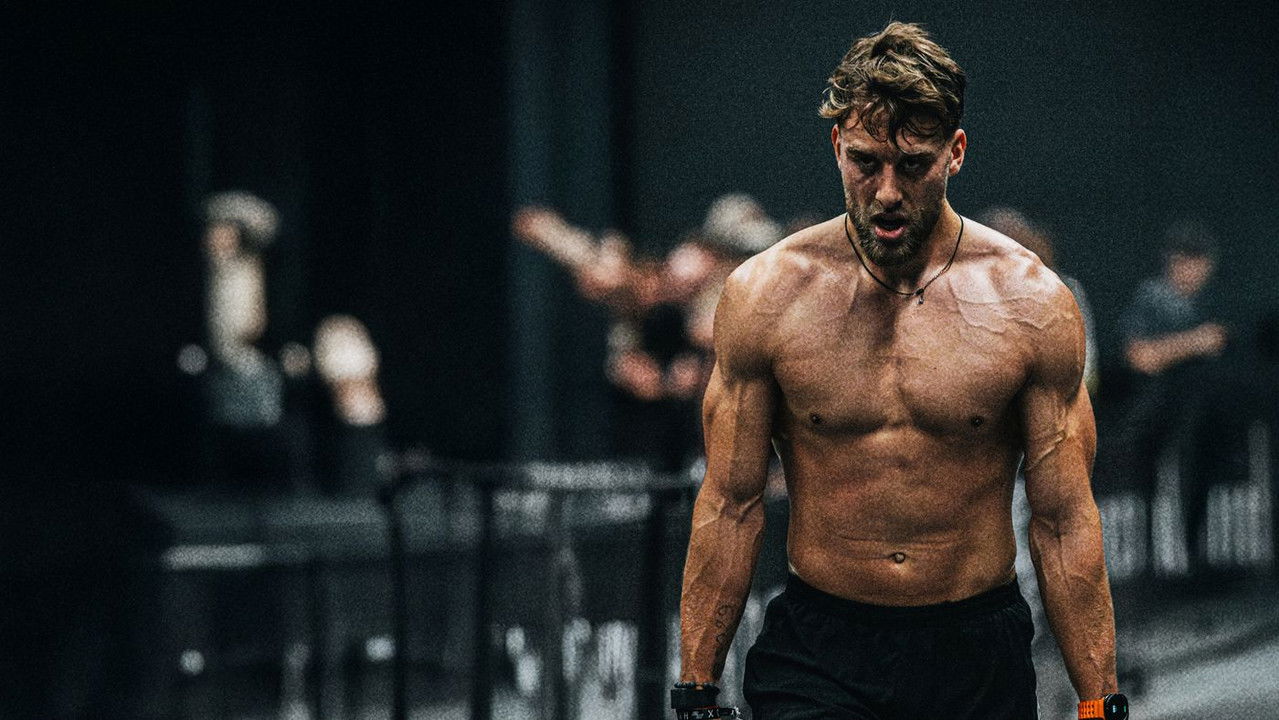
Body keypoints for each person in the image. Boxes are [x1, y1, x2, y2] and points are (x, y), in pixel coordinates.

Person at [673, 22, 1124, 720]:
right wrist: (696, 690)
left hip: (975, 654)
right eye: (864, 162)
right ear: (836, 146)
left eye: (912, 165)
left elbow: (1063, 520)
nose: (886, 191)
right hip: (820, 651)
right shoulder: (767, 297)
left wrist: (1099, 706)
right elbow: (730, 504)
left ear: (955, 153)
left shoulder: (1030, 303)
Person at [1118, 222, 1226, 578]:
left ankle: (1189, 570)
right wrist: (1194, 342)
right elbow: (1140, 357)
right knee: (1158, 500)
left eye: (1200, 263)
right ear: (1173, 261)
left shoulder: (1208, 302)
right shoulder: (1151, 298)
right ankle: (1158, 575)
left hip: (1198, 423)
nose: (1194, 271)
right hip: (1157, 421)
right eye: (1186, 261)